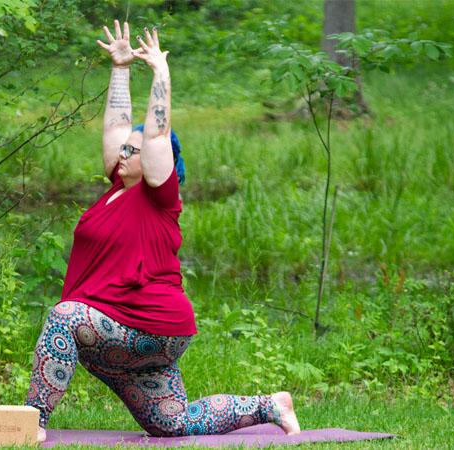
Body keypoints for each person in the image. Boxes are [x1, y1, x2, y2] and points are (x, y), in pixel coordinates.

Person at [23, 21, 301, 442]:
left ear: (156, 161)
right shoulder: (116, 190)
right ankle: (270, 405)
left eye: (132, 152)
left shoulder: (159, 196)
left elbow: (153, 135)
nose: (123, 153)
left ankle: (31, 420)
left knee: (64, 318)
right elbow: (119, 129)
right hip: (131, 333)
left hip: (148, 323)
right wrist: (120, 67)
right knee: (173, 425)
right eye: (124, 151)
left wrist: (160, 74)